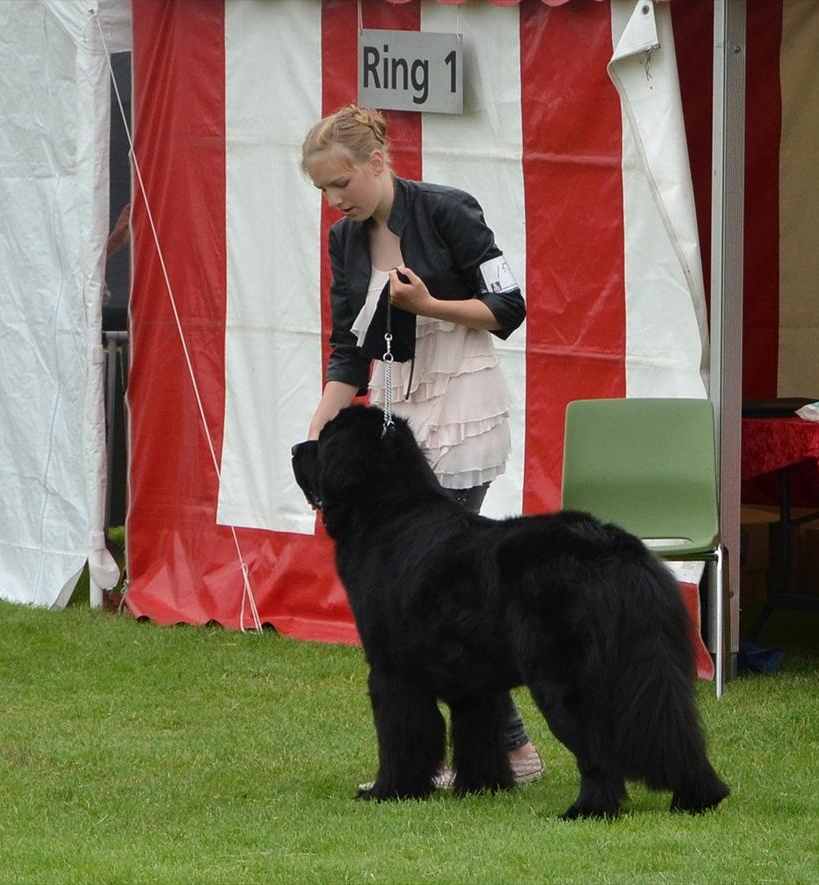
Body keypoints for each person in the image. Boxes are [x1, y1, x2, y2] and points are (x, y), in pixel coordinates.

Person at [301, 104, 542, 786]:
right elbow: (349, 352)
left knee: (440, 587)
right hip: (398, 417)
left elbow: (509, 307)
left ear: (378, 162)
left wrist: (429, 305)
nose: (334, 199)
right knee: (436, 596)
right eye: (322, 189)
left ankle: (503, 750)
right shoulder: (344, 243)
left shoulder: (448, 210)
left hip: (463, 403)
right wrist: (318, 431)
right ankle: (493, 753)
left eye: (340, 182)